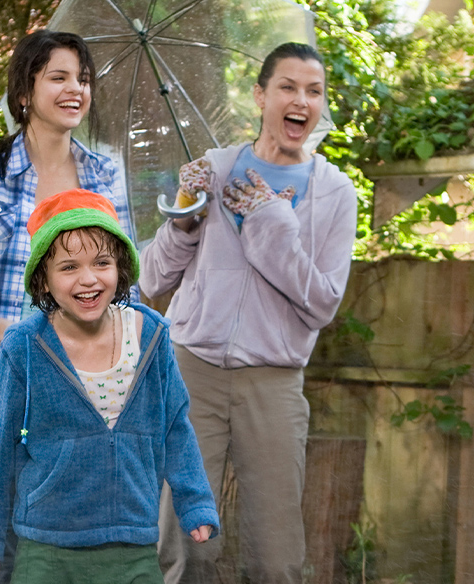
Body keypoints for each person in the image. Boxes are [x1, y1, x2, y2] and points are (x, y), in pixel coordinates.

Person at [142, 42, 358, 584]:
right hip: (192, 373)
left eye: (314, 91)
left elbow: (321, 302)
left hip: (274, 381)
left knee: (274, 557)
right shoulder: (215, 168)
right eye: (287, 87)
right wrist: (184, 222)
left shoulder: (335, 192)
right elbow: (151, 278)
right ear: (261, 95)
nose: (300, 101)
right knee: (187, 548)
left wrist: (268, 219)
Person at [0, 29, 135, 583]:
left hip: (84, 404)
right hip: (0, 397)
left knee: (75, 560)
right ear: (26, 90)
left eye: (84, 79)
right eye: (59, 77)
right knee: (0, 558)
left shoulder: (104, 176)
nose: (75, 89)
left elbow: (127, 291)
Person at [0, 189, 219, 584]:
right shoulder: (24, 348)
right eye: (68, 267)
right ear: (43, 281)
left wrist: (195, 502)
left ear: (120, 268)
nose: (88, 279)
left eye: (102, 262)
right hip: (47, 549)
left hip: (133, 544)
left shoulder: (150, 337)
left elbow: (176, 428)